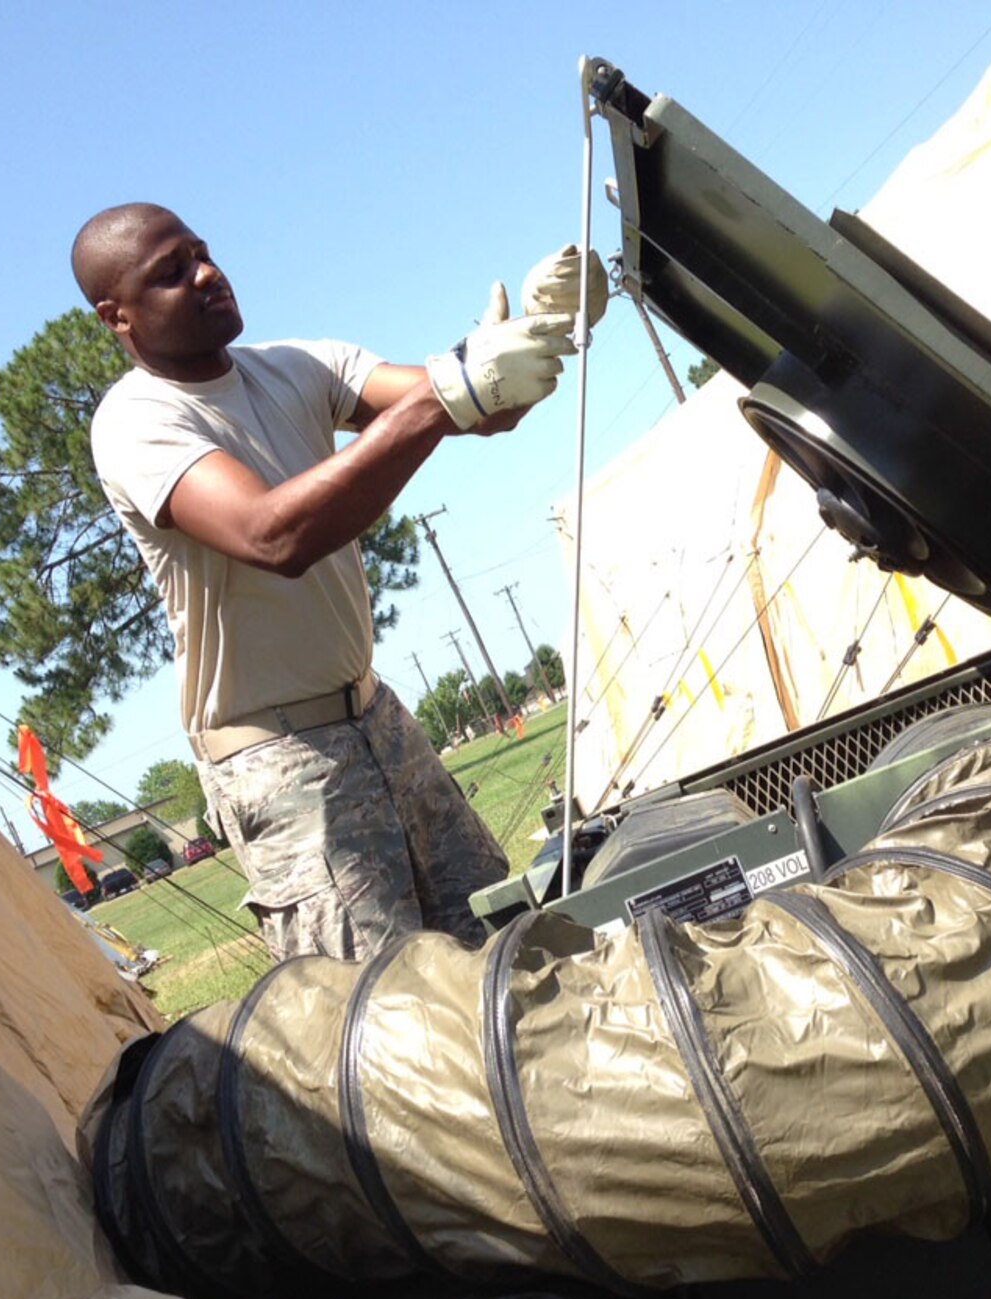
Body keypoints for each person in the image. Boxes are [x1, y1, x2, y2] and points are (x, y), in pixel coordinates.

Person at [72, 202, 603, 961]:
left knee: (509, 952)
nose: (208, 273)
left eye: (202, 252)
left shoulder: (297, 366)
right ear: (117, 317)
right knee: (386, 1017)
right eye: (172, 272)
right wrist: (450, 391)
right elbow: (272, 534)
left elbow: (477, 410)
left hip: (376, 716)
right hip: (278, 761)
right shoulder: (136, 422)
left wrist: (542, 331)